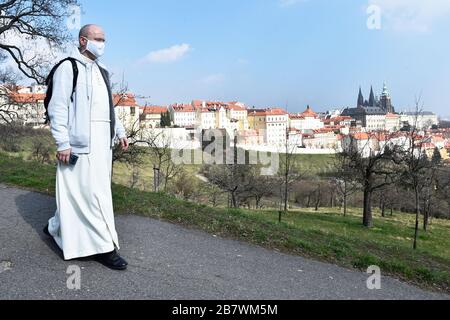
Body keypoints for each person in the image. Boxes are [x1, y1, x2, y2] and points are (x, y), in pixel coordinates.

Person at [45, 24, 130, 270]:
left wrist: (120, 132)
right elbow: (57, 108)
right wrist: (62, 143)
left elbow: (108, 108)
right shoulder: (67, 67)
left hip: (103, 145)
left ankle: (55, 227)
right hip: (79, 145)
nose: (102, 43)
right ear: (83, 40)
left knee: (90, 193)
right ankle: (104, 248)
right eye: (98, 39)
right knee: (92, 196)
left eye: (104, 39)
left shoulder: (102, 71)